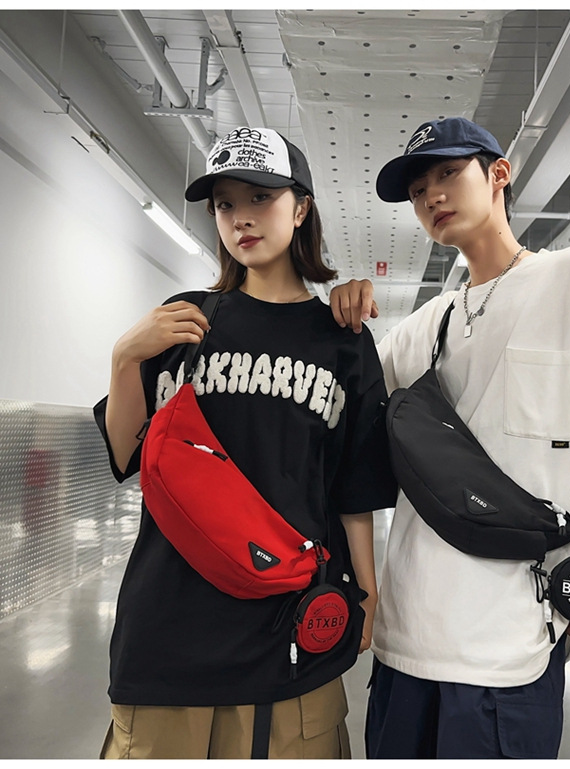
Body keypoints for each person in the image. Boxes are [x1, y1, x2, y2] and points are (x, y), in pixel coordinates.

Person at [328, 116, 570, 759]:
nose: (432, 196)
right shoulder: (423, 328)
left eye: (448, 173)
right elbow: (339, 413)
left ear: (498, 174)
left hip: (512, 649)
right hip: (404, 642)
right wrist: (340, 316)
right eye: (418, 191)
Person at [93, 126, 397, 759]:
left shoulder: (342, 341)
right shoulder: (185, 321)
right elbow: (126, 456)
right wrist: (124, 359)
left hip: (291, 630)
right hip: (168, 629)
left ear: (301, 208)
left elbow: (354, 490)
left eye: (261, 197)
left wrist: (367, 595)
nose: (241, 218)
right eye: (225, 204)